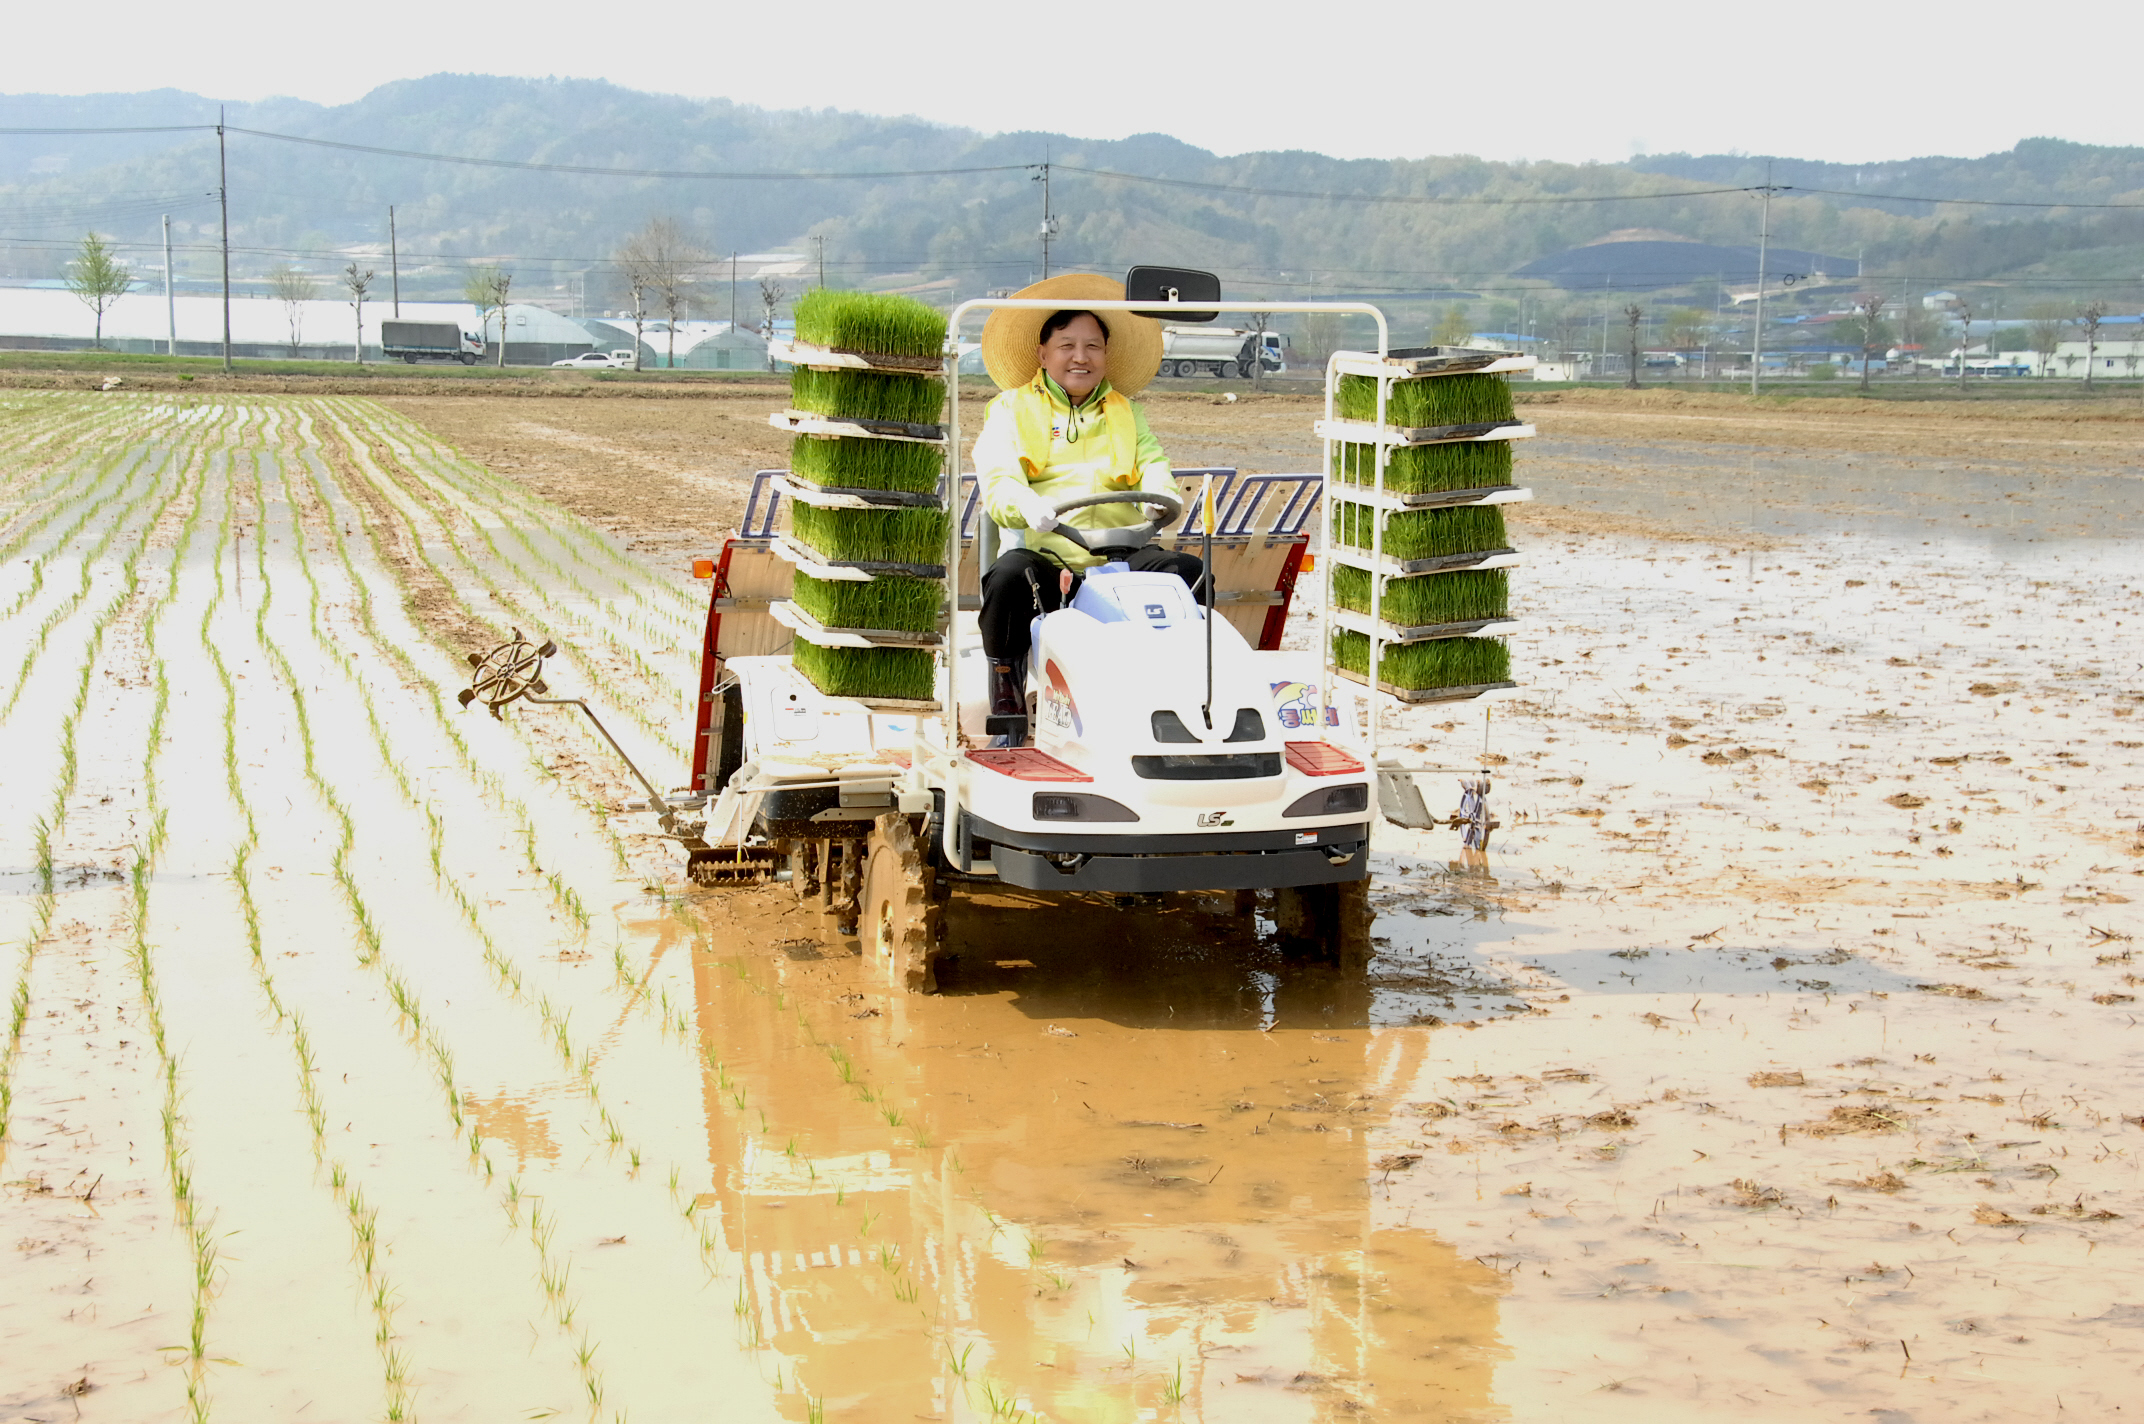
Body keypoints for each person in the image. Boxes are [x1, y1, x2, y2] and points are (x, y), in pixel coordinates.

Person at [972, 274, 1203, 721]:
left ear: (1105, 354)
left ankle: (1186, 693)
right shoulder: (1009, 410)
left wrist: (1161, 497)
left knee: (1189, 573)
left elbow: (1154, 462)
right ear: (1043, 353)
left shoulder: (1126, 411)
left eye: (1093, 346)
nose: (1081, 357)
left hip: (1121, 557)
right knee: (1006, 578)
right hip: (1050, 558)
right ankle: (1007, 688)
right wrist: (1027, 505)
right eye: (1067, 345)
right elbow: (999, 480)